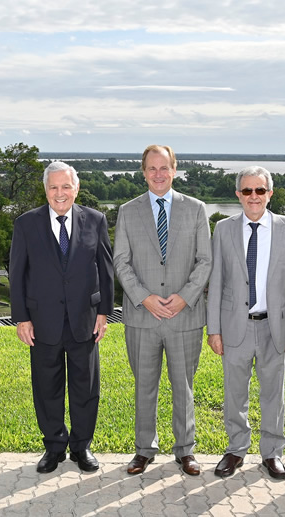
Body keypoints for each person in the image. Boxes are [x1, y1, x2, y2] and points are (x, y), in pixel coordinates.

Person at [113, 144, 212, 476]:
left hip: (185, 316)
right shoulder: (128, 211)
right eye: (151, 169)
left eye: (164, 168)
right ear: (143, 172)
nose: (158, 174)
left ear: (174, 169)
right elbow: (121, 262)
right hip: (143, 316)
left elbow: (205, 261)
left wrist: (184, 297)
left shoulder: (196, 209)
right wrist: (145, 297)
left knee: (183, 385)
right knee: (145, 384)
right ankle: (144, 450)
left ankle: (185, 450)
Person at [9, 162, 114, 474]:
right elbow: (17, 273)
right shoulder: (26, 224)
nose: (60, 193)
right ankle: (54, 447)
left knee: (86, 387)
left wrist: (104, 312)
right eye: (53, 187)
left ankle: (82, 447)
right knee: (47, 388)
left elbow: (105, 271)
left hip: (85, 320)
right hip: (42, 323)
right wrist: (22, 319)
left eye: (65, 186)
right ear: (46, 190)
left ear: (76, 188)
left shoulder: (95, 220)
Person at [206, 166, 285, 480]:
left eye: (259, 190)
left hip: (273, 328)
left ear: (269, 194)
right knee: (235, 394)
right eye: (247, 191)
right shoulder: (223, 229)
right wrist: (214, 330)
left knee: (273, 394)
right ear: (238, 195)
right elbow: (216, 283)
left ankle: (272, 454)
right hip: (235, 327)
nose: (253, 196)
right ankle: (236, 450)